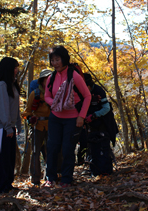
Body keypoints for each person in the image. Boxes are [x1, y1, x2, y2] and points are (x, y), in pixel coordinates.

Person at [44, 46, 91, 188]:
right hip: (55, 118)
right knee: (52, 148)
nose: (55, 63)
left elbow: (87, 96)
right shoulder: (51, 77)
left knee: (67, 149)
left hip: (72, 118)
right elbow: (46, 96)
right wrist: (55, 103)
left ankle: (66, 178)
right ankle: (50, 178)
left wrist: (81, 117)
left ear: (64, 59)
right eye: (52, 60)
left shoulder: (74, 76)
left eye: (57, 59)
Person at [0, 57, 22, 193]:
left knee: (10, 158)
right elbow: (2, 108)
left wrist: (18, 125)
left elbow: (15, 108)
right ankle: (0, 186)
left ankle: (8, 185)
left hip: (10, 127)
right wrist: (8, 127)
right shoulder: (2, 85)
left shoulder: (13, 85)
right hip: (1, 128)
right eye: (15, 67)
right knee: (1, 158)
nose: (17, 70)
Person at [22, 69, 52, 186]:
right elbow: (27, 112)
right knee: (35, 152)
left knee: (50, 152)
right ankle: (35, 178)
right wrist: (30, 119)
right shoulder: (35, 94)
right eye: (46, 79)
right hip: (37, 126)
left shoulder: (55, 93)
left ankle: (49, 176)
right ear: (42, 81)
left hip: (51, 126)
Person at [77, 73, 111, 165]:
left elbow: (106, 108)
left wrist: (94, 115)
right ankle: (84, 161)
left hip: (100, 122)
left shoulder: (98, 90)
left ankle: (104, 163)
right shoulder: (78, 92)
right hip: (84, 122)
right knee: (85, 142)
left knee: (102, 142)